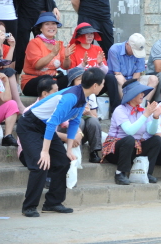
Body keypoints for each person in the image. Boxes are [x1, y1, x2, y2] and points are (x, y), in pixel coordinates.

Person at [17, 68, 105, 217]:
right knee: (41, 164)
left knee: (63, 161)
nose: (104, 86)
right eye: (103, 83)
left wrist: (69, 150)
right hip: (30, 125)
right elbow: (52, 123)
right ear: (95, 85)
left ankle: (52, 203)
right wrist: (45, 152)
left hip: (44, 125)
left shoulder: (84, 96)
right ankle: (29, 206)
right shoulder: (71, 96)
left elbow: (74, 122)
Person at [102, 79, 161, 185]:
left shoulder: (143, 110)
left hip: (135, 148)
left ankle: (147, 172)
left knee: (157, 140)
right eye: (139, 92)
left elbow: (151, 131)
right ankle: (120, 173)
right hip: (115, 151)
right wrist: (146, 115)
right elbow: (129, 131)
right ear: (131, 94)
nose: (142, 94)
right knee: (129, 139)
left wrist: (155, 117)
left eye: (142, 92)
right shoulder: (120, 110)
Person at [21, 12, 72, 96]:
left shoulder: (59, 43)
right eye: (47, 24)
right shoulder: (34, 42)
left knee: (71, 77)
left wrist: (67, 57)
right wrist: (53, 53)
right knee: (48, 79)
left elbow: (66, 67)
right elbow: (37, 66)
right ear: (41, 28)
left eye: (53, 23)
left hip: (53, 80)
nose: (51, 26)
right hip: (33, 81)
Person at [63, 67, 103, 163]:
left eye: (83, 79)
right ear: (72, 82)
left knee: (93, 121)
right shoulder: (71, 94)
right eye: (78, 79)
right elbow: (66, 119)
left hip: (85, 130)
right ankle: (76, 150)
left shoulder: (91, 95)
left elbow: (95, 116)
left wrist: (88, 112)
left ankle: (94, 151)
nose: (81, 82)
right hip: (68, 129)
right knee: (78, 121)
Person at [108, 33, 158, 103]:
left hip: (134, 79)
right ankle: (126, 104)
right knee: (119, 78)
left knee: (154, 79)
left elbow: (137, 74)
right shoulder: (114, 49)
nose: (135, 53)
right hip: (120, 79)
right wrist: (130, 88)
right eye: (134, 50)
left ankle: (143, 105)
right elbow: (117, 72)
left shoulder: (140, 52)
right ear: (127, 44)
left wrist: (135, 87)